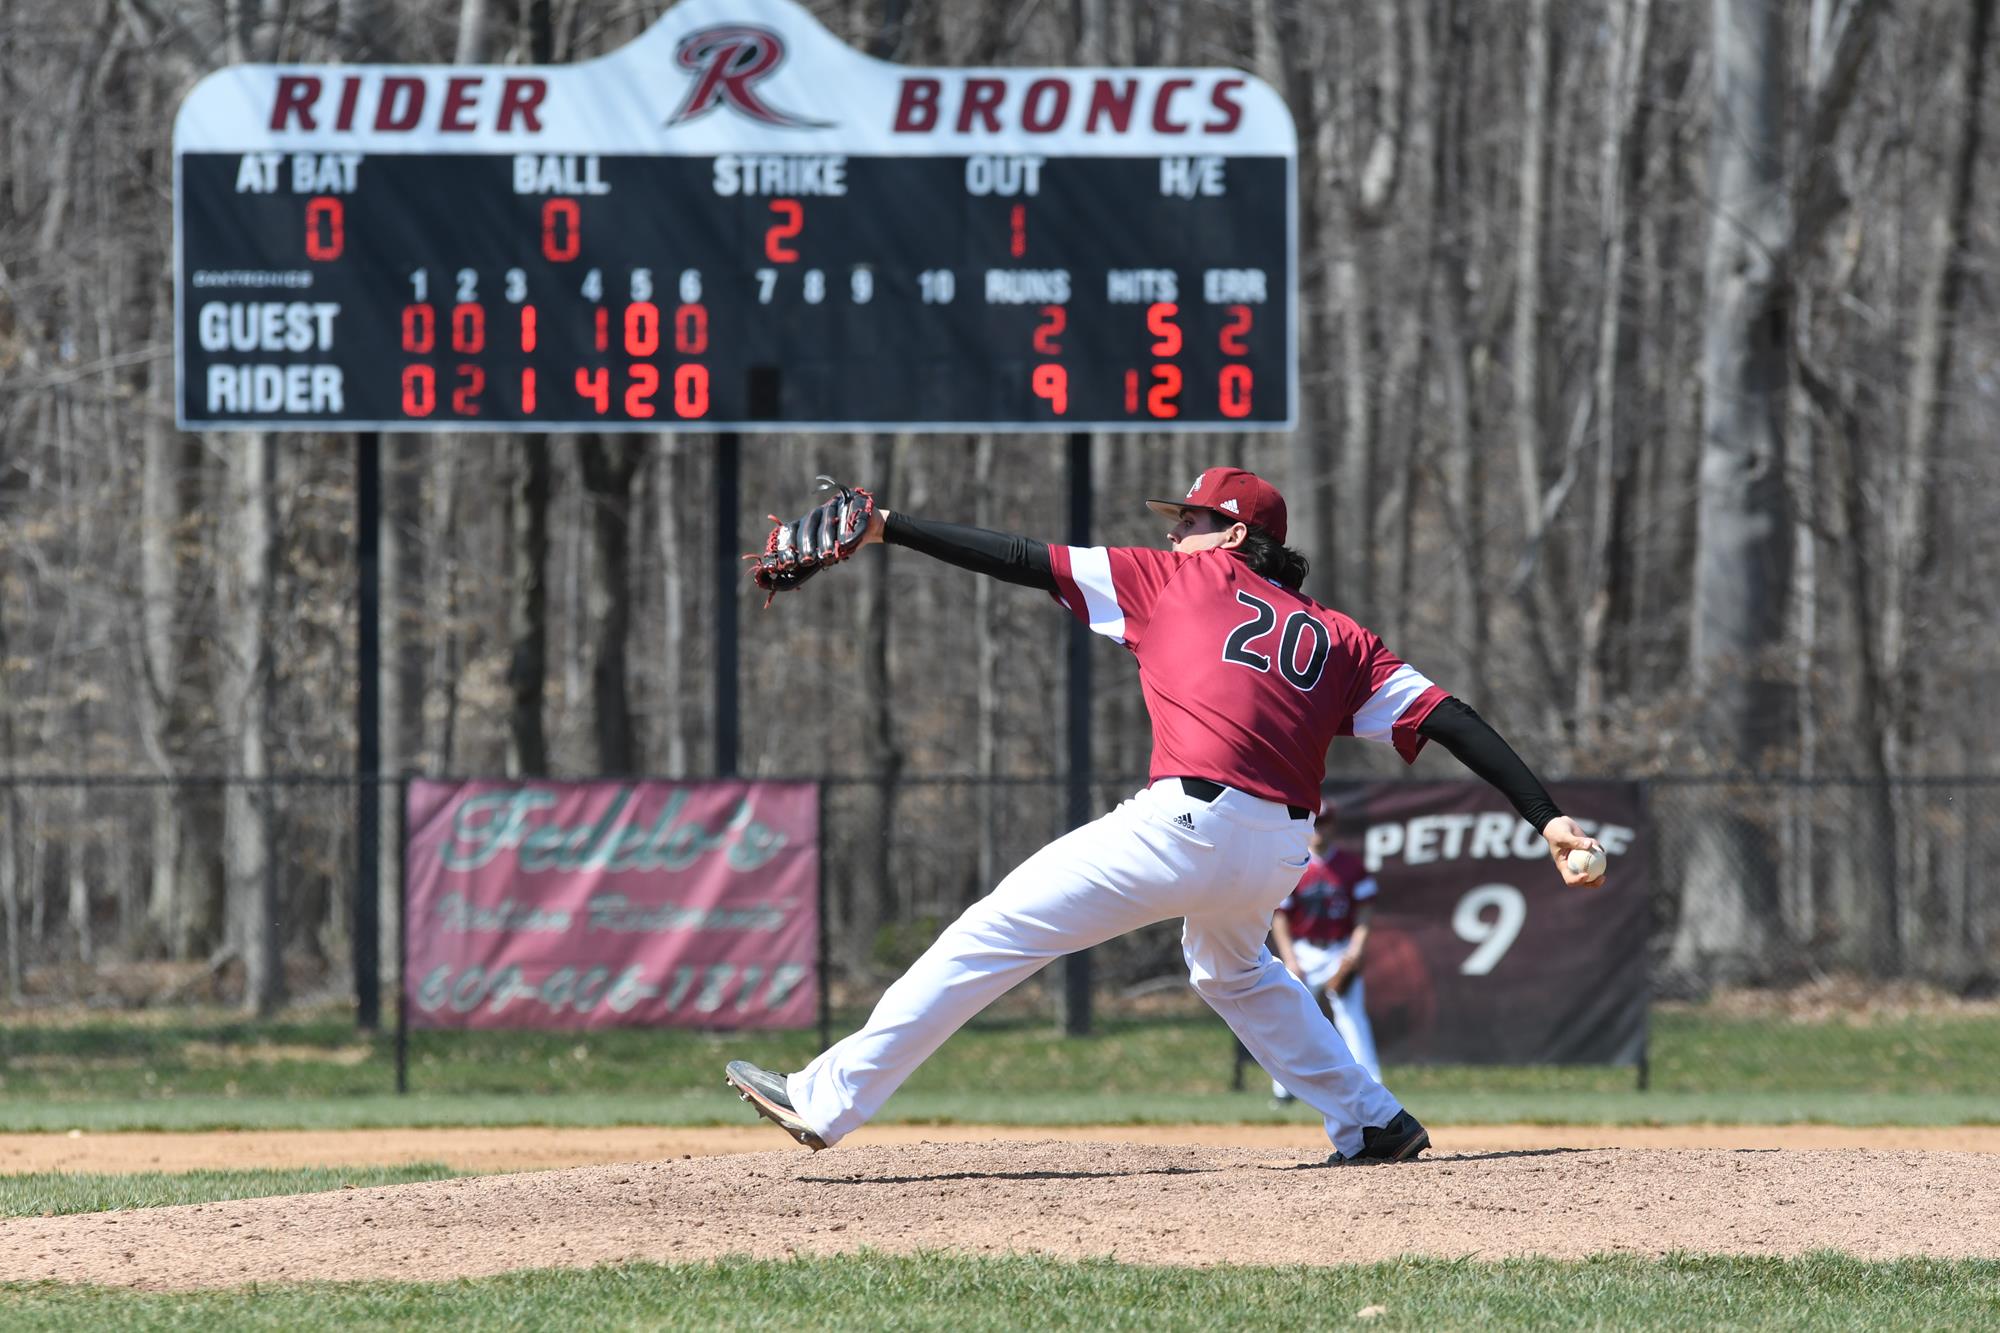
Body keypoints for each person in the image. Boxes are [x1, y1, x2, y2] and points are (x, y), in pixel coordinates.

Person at [726, 467, 1604, 1164]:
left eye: (1187, 518)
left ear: (1232, 534)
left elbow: (1022, 558)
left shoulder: (1171, 578)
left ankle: (824, 1097)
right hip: (1277, 847)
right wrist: (1548, 818)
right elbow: (1451, 719)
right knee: (1234, 971)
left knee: (992, 931)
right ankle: (1372, 1121)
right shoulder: (1342, 637)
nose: (1169, 531)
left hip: (1189, 823)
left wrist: (891, 527)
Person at [1269, 799, 1381, 1099]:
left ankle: (1373, 1085)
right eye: (1314, 823)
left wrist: (1355, 951)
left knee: (1353, 1018)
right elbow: (1280, 915)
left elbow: (1365, 911)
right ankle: (1284, 1089)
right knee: (1293, 1018)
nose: (1318, 830)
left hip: (1338, 950)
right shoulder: (1293, 864)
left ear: (1333, 825)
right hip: (1303, 951)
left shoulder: (1350, 866)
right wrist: (1290, 958)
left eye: (1324, 822)